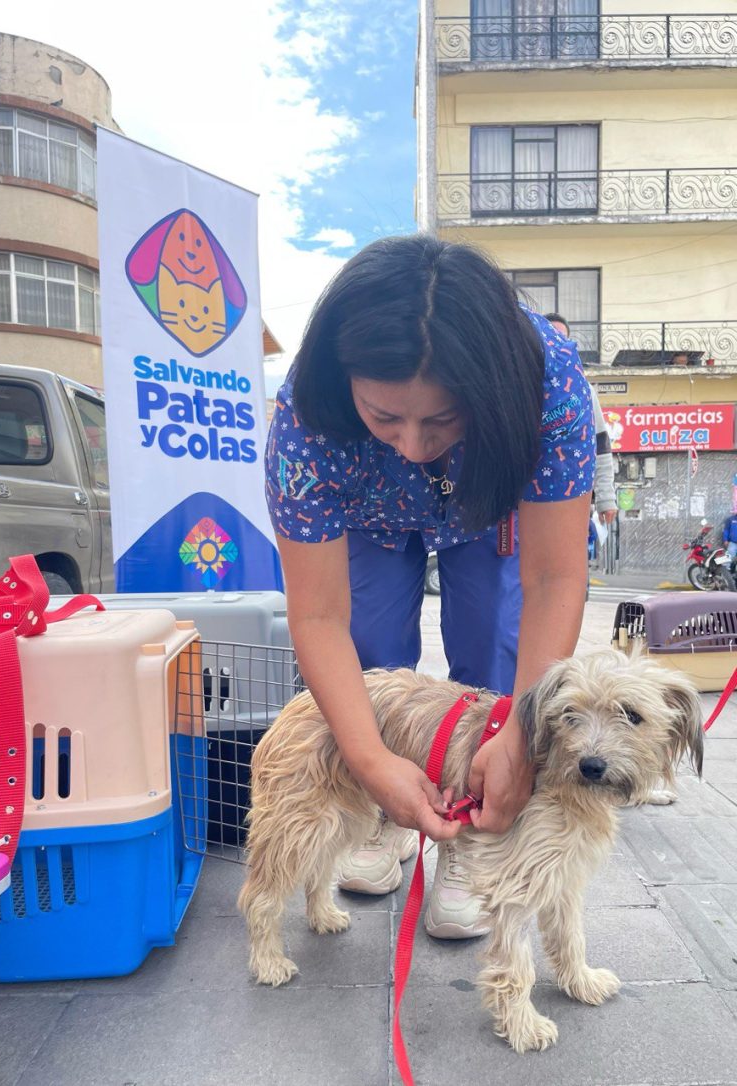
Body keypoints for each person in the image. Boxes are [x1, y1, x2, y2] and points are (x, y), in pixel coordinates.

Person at [265, 236, 595, 940]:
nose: (414, 446)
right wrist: (369, 760)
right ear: (345, 382)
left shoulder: (550, 381)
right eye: (384, 417)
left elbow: (553, 577)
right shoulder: (304, 419)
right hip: (370, 518)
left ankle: (475, 832)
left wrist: (519, 737)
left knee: (496, 642)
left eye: (443, 418)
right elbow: (319, 617)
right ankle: (385, 808)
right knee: (371, 647)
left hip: (486, 508)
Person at [543, 314, 618, 528]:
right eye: (550, 337)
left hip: (572, 497)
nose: (555, 345)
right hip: (525, 501)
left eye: (561, 339)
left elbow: (600, 444)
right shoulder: (520, 388)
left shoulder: (582, 390)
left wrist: (606, 497)